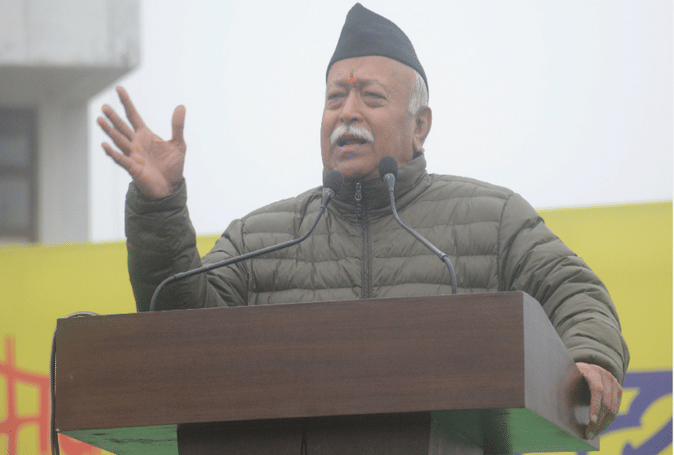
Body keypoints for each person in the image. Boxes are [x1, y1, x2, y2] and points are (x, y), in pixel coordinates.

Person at [98, 3, 628, 441]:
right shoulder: (258, 237)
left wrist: (591, 357)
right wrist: (160, 206)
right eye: (335, 98)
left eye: (370, 97)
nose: (347, 112)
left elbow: (572, 289)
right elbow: (181, 335)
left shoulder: (493, 219)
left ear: (420, 126)